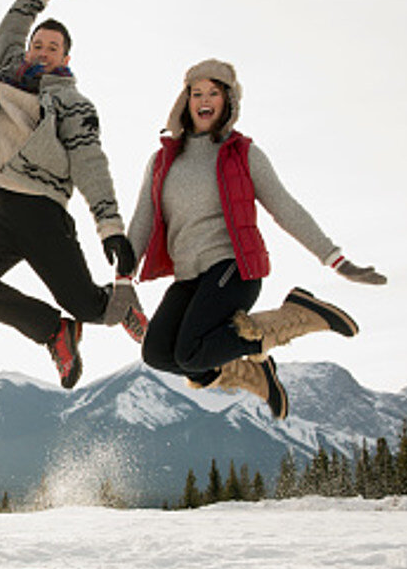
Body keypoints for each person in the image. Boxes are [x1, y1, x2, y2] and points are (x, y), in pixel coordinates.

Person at [126, 59, 386, 419]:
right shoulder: (163, 160)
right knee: (157, 353)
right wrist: (122, 281)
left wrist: (336, 259)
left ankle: (299, 316)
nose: (204, 100)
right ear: (185, 100)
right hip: (189, 277)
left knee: (190, 352)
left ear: (228, 100)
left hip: (234, 268)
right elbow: (143, 220)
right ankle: (251, 372)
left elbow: (286, 208)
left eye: (214, 93)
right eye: (196, 93)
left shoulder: (242, 153)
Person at [0, 0, 146, 391]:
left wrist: (110, 228)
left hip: (43, 212)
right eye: (37, 44)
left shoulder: (72, 103)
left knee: (84, 304)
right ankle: (55, 331)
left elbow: (91, 162)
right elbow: (11, 25)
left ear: (65, 58)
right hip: (2, 210)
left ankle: (121, 306)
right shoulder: (7, 75)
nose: (41, 51)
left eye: (52, 47)